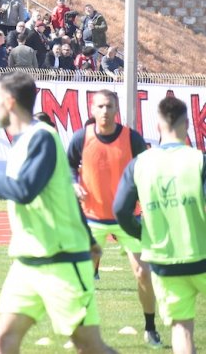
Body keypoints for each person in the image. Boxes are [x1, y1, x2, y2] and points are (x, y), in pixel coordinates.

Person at [0, 71, 115, 354]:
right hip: (28, 261)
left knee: (89, 346)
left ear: (10, 102)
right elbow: (64, 195)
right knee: (4, 338)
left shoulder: (42, 137)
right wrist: (92, 239)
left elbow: (24, 191)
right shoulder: (21, 142)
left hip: (62, 261)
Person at [66, 90, 161, 347]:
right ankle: (80, 331)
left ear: (116, 109)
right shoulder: (80, 138)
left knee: (143, 273)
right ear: (92, 110)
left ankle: (150, 328)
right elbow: (68, 166)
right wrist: (74, 183)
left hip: (128, 219)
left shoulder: (132, 138)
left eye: (109, 106)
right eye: (100, 106)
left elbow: (147, 170)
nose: (105, 111)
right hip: (92, 219)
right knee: (81, 277)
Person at [114, 96, 206, 354]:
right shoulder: (198, 160)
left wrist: (142, 233)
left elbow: (120, 209)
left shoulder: (140, 163)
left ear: (157, 126)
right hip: (201, 254)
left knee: (181, 328)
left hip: (164, 261)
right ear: (187, 124)